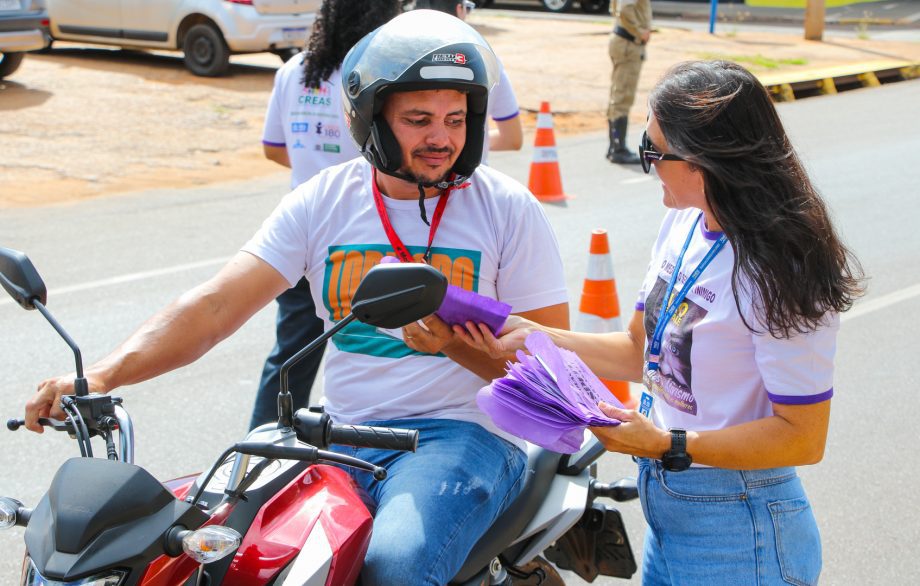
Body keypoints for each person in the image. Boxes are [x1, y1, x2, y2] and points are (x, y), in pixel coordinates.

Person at [25, 10, 569, 586]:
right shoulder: (324, 201)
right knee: (221, 553)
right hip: (336, 431)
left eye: (456, 119)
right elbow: (215, 307)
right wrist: (102, 377)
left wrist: (455, 348)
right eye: (418, 119)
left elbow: (554, 366)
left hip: (462, 435)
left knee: (395, 568)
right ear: (370, 120)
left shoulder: (506, 208)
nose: (442, 138)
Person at [457, 61, 864, 584]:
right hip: (669, 511)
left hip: (739, 528)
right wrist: (532, 336)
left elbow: (802, 438)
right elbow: (637, 352)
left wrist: (667, 444)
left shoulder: (780, 268)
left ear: (703, 159)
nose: (644, 163)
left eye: (653, 151)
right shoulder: (683, 221)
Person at [252, 0, 402, 431]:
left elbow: (273, 147)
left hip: (301, 229)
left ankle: (263, 448)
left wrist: (311, 166)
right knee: (379, 349)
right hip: (361, 231)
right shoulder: (369, 77)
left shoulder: (292, 70)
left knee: (290, 355)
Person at [414, 0, 524, 158]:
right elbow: (512, 139)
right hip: (470, 178)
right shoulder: (485, 61)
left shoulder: (400, 61)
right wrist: (480, 141)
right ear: (459, 9)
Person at [606, 0, 652, 165]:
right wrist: (639, 31)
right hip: (628, 44)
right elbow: (625, 9)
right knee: (622, 97)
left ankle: (615, 145)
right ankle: (618, 148)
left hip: (624, 42)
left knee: (618, 95)